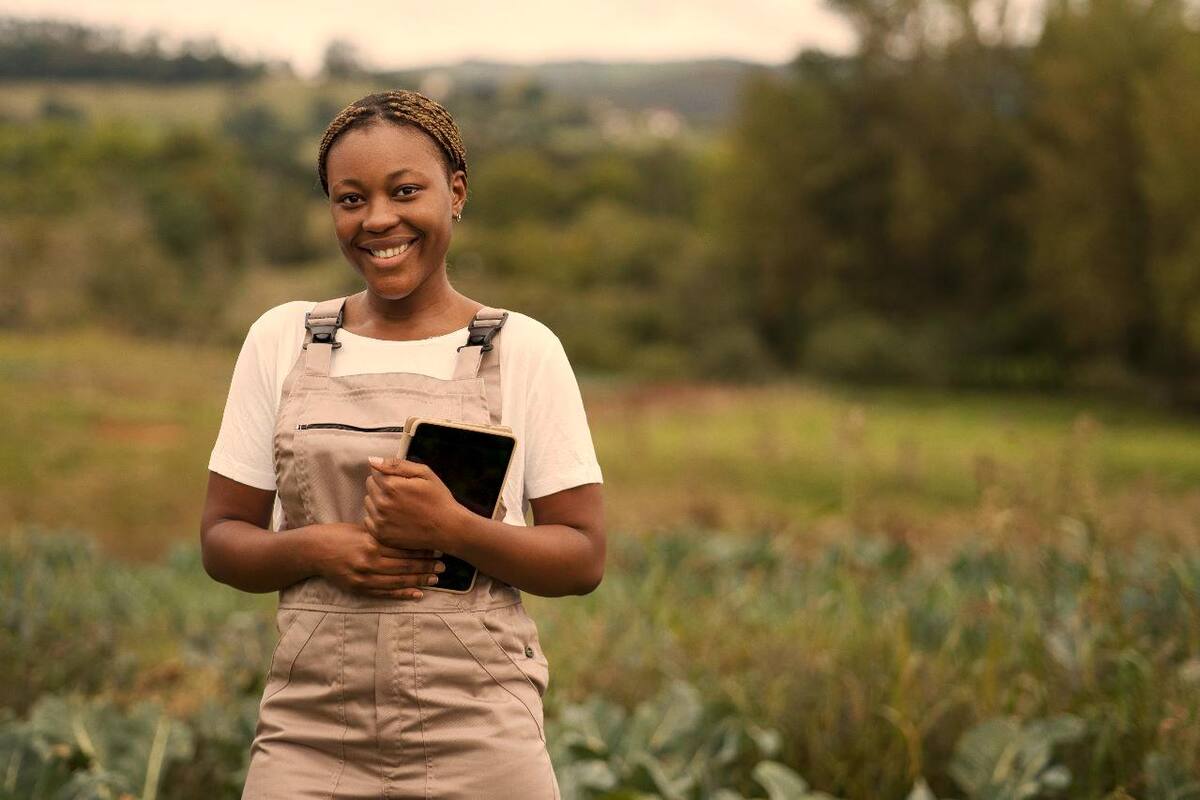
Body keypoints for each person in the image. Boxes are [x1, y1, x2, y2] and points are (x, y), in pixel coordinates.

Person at [199, 89, 605, 799]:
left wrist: (452, 528)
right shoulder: (282, 340)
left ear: (455, 192)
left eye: (405, 191)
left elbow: (581, 558)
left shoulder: (523, 350)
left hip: (481, 736)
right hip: (309, 735)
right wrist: (320, 548)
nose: (377, 219)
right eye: (350, 199)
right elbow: (221, 540)